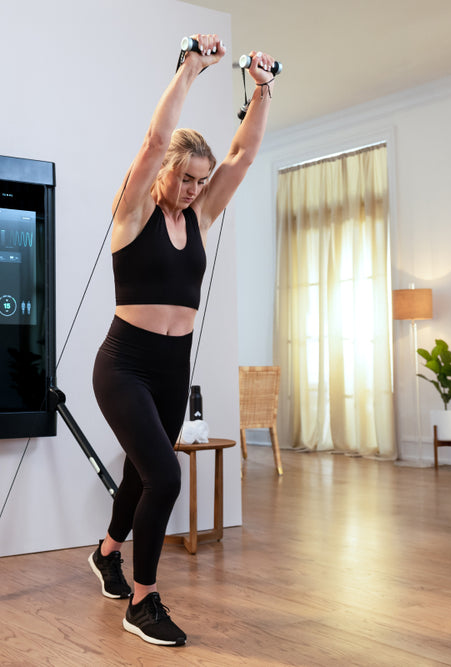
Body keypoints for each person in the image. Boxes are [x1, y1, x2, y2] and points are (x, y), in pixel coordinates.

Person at [88, 33, 276, 647]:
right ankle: (142, 601)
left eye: (201, 179)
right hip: (124, 364)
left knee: (145, 474)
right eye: (187, 176)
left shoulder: (197, 217)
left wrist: (262, 89)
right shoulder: (133, 212)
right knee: (166, 475)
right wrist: (191, 70)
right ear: (166, 170)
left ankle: (107, 552)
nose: (196, 188)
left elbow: (243, 157)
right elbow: (151, 140)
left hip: (173, 366)